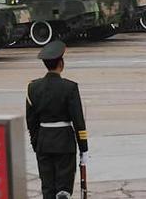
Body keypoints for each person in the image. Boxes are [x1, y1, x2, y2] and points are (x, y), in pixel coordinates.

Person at [26, 41, 88, 199]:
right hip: (64, 143)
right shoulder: (70, 88)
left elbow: (31, 122)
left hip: (43, 143)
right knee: (63, 188)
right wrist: (83, 148)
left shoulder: (33, 88)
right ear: (61, 63)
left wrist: (36, 143)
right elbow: (78, 121)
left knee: (48, 188)